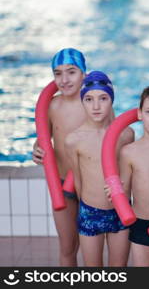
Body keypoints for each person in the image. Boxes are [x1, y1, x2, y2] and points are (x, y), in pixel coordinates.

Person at [65, 71, 134, 266]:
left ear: (111, 100)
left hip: (120, 211)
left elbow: (129, 173)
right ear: (82, 102)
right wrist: (83, 209)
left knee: (118, 271)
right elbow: (78, 180)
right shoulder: (73, 140)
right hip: (90, 211)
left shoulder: (126, 135)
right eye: (89, 99)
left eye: (103, 98)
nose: (96, 106)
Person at [106, 85, 149, 266]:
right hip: (141, 221)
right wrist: (115, 192)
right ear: (139, 113)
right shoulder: (129, 152)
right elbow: (125, 191)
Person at [32, 48, 87, 266]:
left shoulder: (94, 103)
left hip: (89, 185)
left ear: (83, 73)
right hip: (62, 185)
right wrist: (37, 150)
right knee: (67, 247)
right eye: (57, 73)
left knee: (92, 246)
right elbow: (43, 139)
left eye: (71, 72)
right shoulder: (53, 106)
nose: (64, 79)